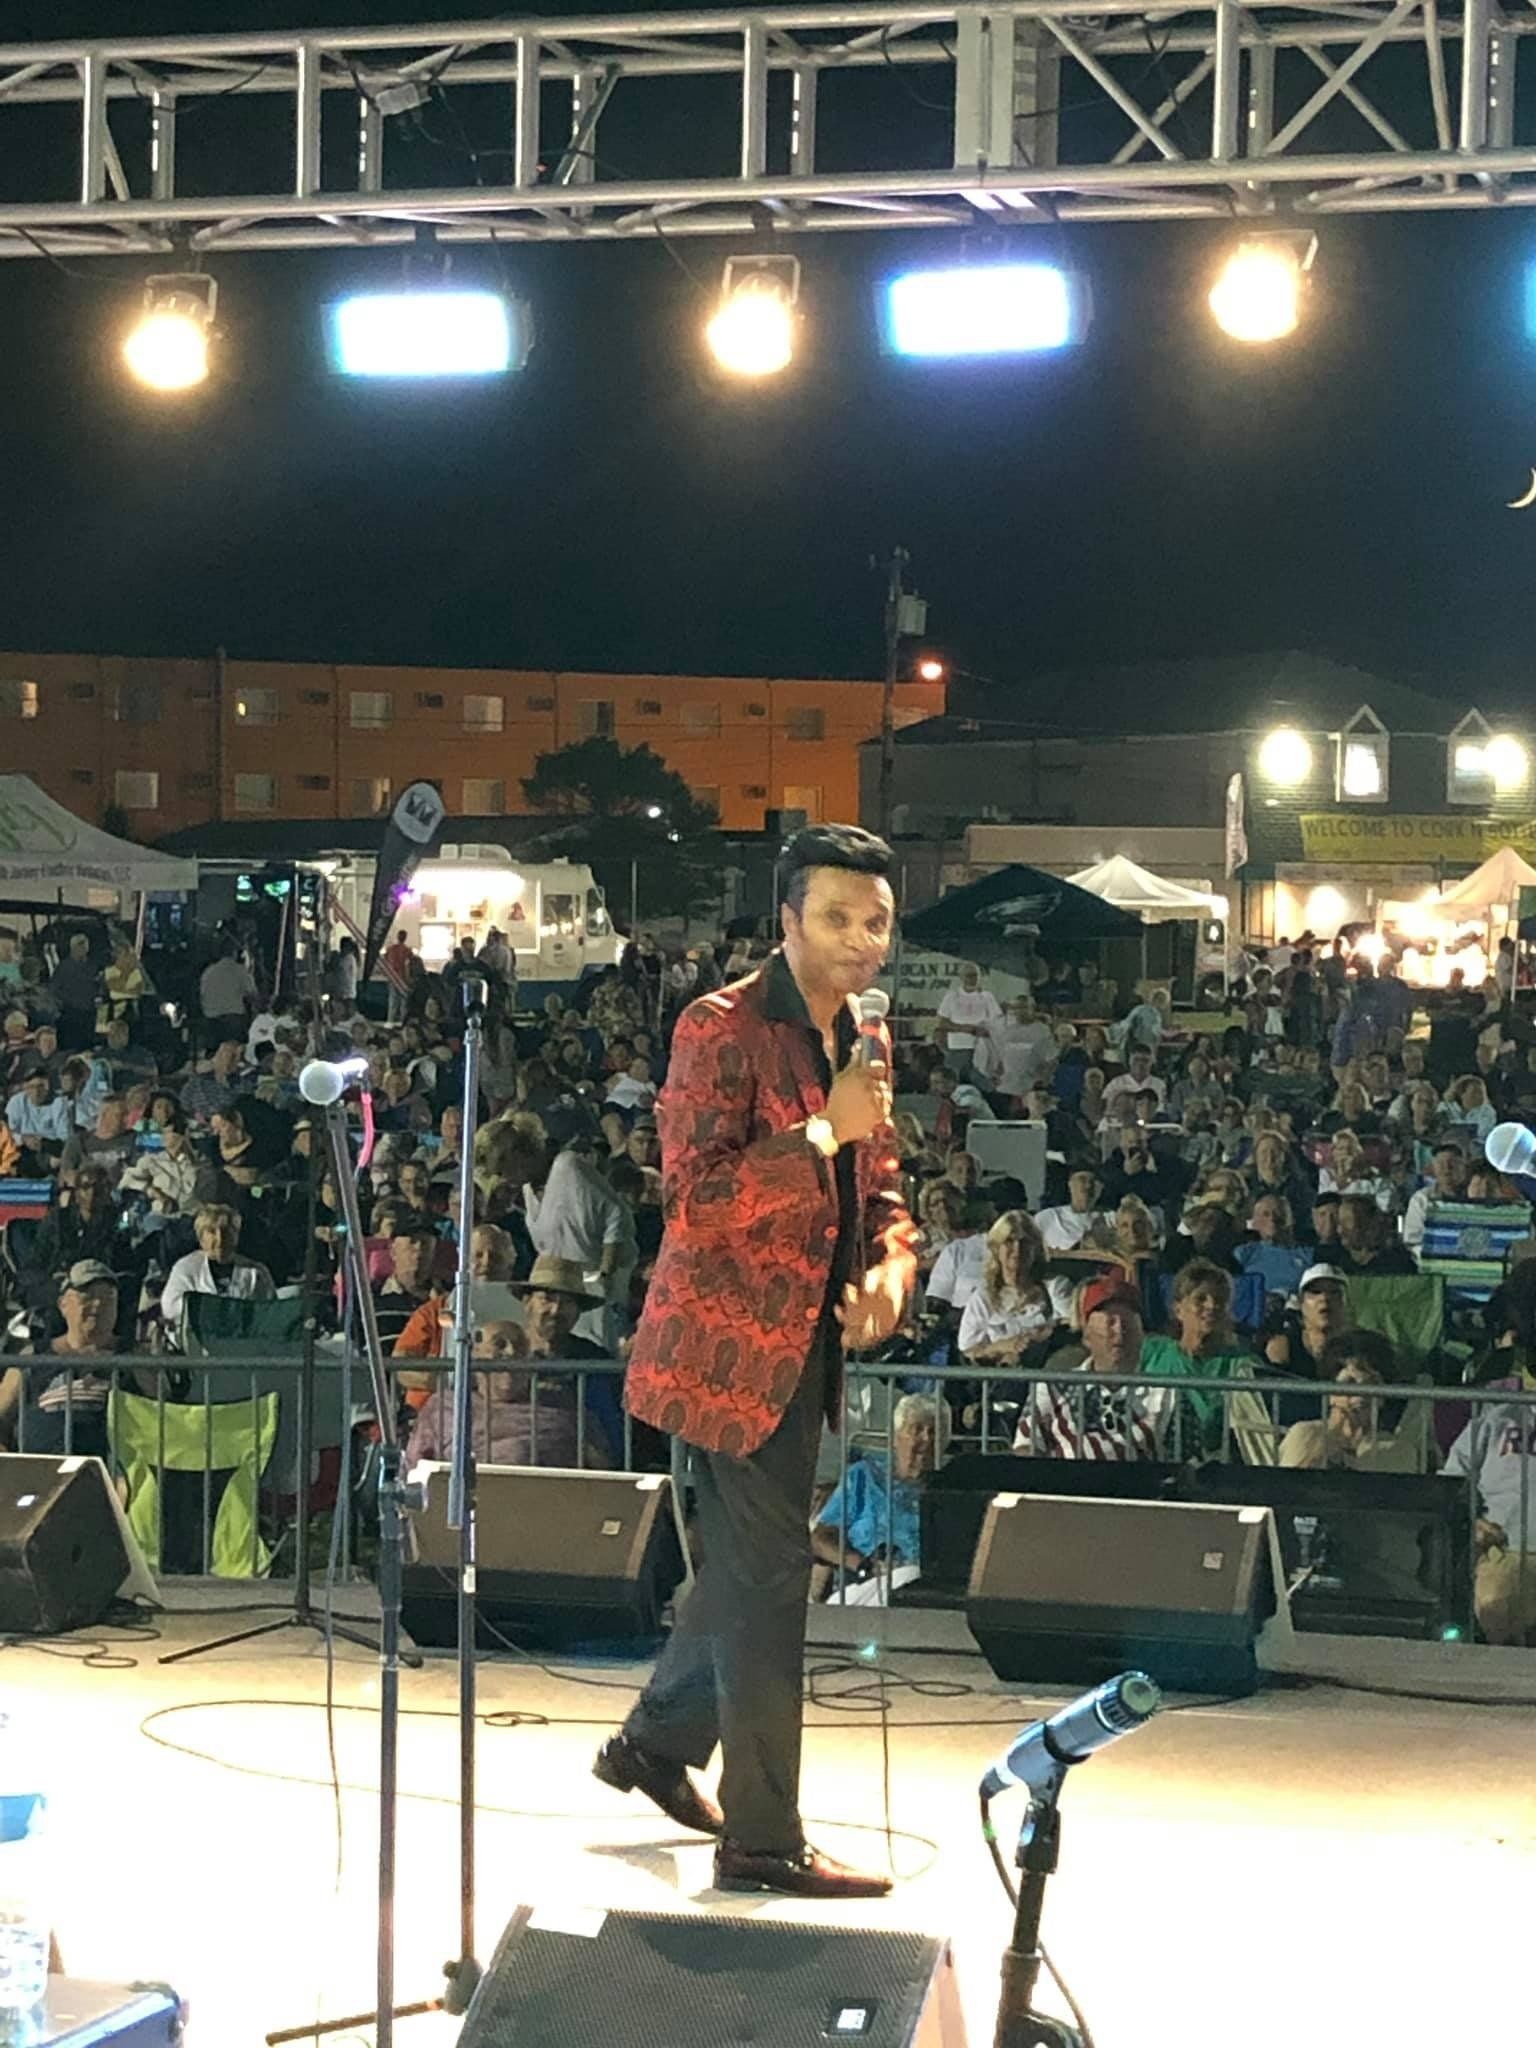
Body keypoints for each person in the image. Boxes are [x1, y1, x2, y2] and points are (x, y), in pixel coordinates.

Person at [597, 822, 913, 1901]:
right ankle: (763, 1841)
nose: (862, 941)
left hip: (807, 1356)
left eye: (876, 921)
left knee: (743, 1569)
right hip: (721, 1363)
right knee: (772, 1582)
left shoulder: (867, 1037)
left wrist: (890, 1270)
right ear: (785, 920)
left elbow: (887, 1195)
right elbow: (695, 1199)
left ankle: (651, 1743)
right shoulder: (718, 1026)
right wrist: (822, 1134)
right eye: (837, 917)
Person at [1013, 1273, 1174, 1460]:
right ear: (1087, 1334)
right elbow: (1025, 1447)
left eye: (1128, 1322)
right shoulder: (1052, 1388)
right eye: (1110, 1322)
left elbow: (1188, 1463)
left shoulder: (1167, 1396)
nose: (1119, 1331)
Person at [811, 1393, 942, 1604]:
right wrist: (863, 1565)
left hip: (922, 1593)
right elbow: (820, 1539)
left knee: (914, 1578)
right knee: (911, 1576)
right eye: (917, 1429)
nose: (926, 1439)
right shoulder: (863, 1476)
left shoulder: (945, 1487)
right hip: (862, 1587)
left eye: (935, 1432)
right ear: (896, 1437)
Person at [0, 1261, 124, 1457]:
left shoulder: (135, 1357)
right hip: (41, 1477)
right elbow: (2, 1415)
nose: (99, 1304)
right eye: (87, 1295)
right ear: (63, 1304)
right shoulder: (34, 1357)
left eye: (108, 1297)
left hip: (113, 1476)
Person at [1139, 1259, 1254, 1456]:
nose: (1211, 1305)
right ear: (1178, 1310)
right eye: (1200, 1299)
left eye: (1220, 1300)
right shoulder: (1151, 1351)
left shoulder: (1242, 1363)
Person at [1278, 1329, 1400, 1468]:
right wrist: (1330, 1437)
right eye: (1349, 1383)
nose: (1360, 1394)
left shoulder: (1396, 1450)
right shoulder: (1306, 1434)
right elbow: (1289, 1484)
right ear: (1331, 1394)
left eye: (1371, 1383)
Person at [159, 1205, 276, 1333]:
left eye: (226, 1231)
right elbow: (170, 1308)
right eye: (212, 1231)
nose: (220, 1239)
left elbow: (269, 1314)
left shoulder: (256, 1272)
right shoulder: (185, 1268)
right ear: (201, 1238)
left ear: (236, 1236)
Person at [958, 1212, 1056, 1362]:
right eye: (1009, 1241)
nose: (1017, 1250)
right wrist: (999, 1347)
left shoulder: (1054, 1288)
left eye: (1025, 1243)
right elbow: (967, 1350)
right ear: (996, 1248)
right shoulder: (983, 1297)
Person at [935, 963, 1004, 1081]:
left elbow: (998, 1022)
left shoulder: (987, 997)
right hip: (958, 1049)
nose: (973, 979)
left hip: (984, 1050)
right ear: (961, 977)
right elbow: (942, 1023)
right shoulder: (952, 997)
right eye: (969, 976)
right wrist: (967, 1029)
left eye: (975, 975)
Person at [1403, 1142, 1470, 1255]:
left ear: (1464, 1167)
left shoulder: (1477, 1194)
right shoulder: (1421, 1199)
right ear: (1433, 1169)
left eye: (1452, 1164)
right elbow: (1412, 1240)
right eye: (1440, 1165)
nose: (1447, 1170)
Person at [1334, 1194, 1417, 1277]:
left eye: (1347, 1221)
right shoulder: (1339, 1263)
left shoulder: (1398, 1265)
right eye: (1339, 1222)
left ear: (1366, 1223)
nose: (1339, 1230)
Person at [994, 994, 1056, 1100]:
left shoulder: (1042, 1031)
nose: (1019, 1011)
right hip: (1006, 1088)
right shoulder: (1007, 1031)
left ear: (1032, 1008)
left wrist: (1042, 1082)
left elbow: (1051, 1061)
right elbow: (1001, 1058)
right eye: (1016, 1008)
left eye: (1023, 1007)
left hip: (1029, 1088)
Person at [1036, 1168, 1113, 1253]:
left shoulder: (1111, 1218)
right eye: (1082, 1179)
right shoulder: (1047, 1217)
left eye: (1094, 1181)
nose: (1088, 1185)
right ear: (1070, 1184)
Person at [199, 939, 257, 1048]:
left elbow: (202, 995)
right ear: (234, 953)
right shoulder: (240, 970)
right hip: (233, 1019)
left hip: (211, 1020)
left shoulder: (208, 971)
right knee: (234, 1052)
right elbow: (252, 994)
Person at [49, 932, 101, 1052]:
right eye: (80, 946)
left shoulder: (93, 966)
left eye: (85, 946)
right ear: (73, 947)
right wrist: (70, 1002)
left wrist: (98, 997)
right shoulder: (63, 967)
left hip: (89, 1016)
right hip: (70, 1016)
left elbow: (99, 986)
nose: (83, 949)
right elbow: (54, 990)